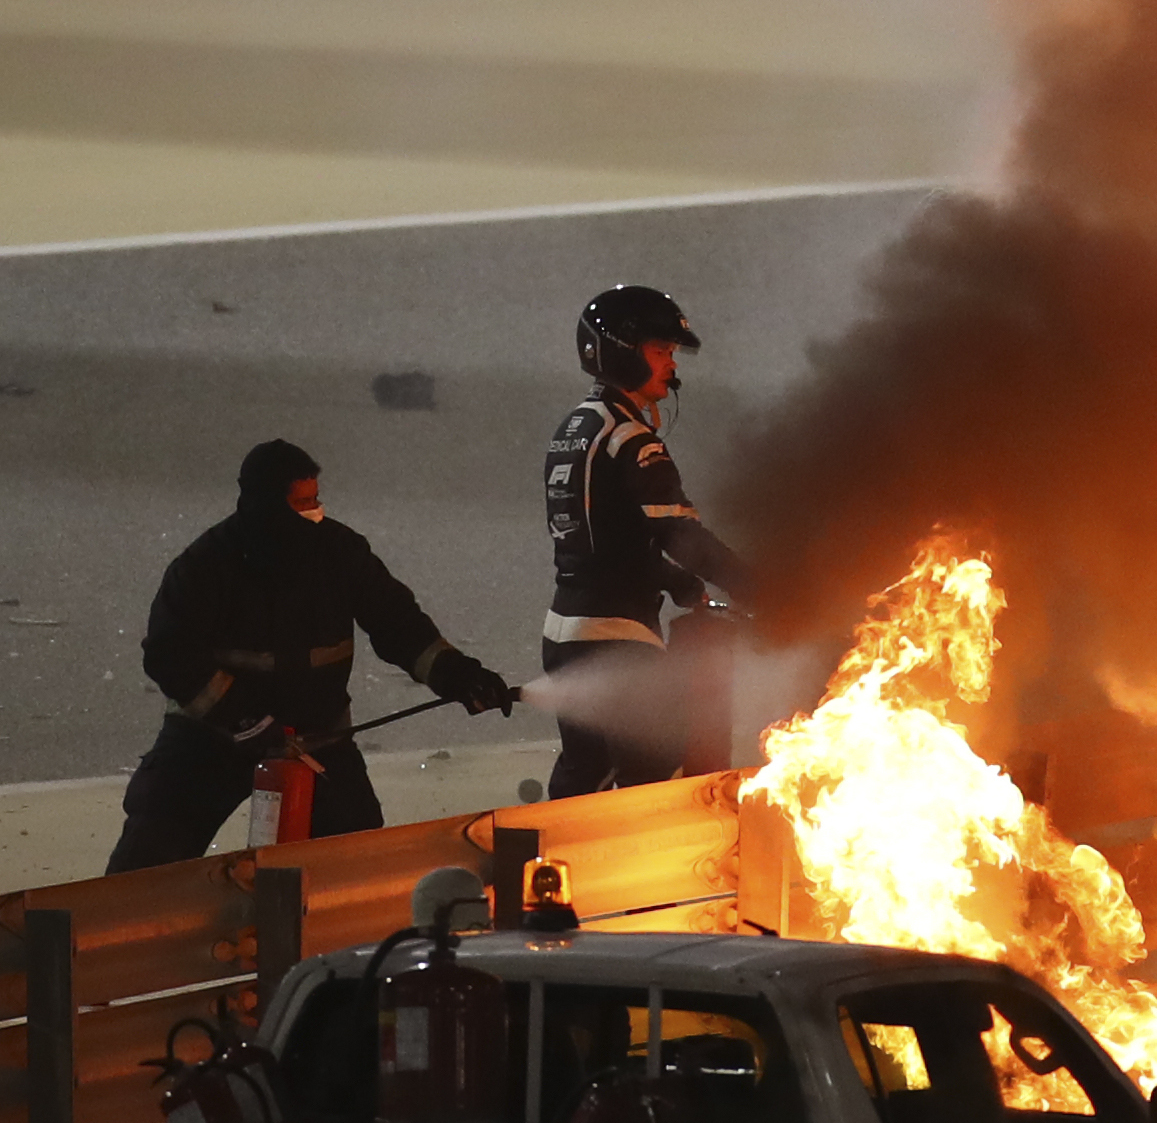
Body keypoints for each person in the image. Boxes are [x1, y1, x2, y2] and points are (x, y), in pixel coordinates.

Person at [109, 439, 514, 873]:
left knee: (354, 859)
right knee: (155, 842)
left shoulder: (341, 552)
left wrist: (460, 676)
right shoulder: (206, 566)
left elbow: (400, 626)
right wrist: (242, 719)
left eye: (316, 499)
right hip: (212, 739)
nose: (315, 511)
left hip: (316, 740)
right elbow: (171, 654)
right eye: (302, 502)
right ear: (265, 506)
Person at [542, 285, 751, 797]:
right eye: (660, 352)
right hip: (617, 642)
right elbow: (681, 534)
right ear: (618, 350)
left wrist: (677, 583)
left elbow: (605, 540)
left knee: (584, 782)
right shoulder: (631, 437)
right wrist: (765, 589)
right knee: (654, 788)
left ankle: (541, 869)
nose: (671, 366)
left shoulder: (577, 426)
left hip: (567, 633)